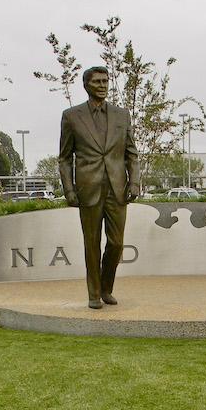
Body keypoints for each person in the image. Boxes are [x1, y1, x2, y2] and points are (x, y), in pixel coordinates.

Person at [58, 66, 140, 309]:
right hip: (88, 189)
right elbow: (64, 158)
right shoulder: (71, 116)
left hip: (117, 189)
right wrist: (69, 189)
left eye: (105, 81)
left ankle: (106, 287)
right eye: (97, 82)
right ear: (86, 85)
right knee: (91, 244)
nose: (103, 85)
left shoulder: (121, 115)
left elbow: (131, 153)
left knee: (116, 243)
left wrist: (134, 180)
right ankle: (94, 293)